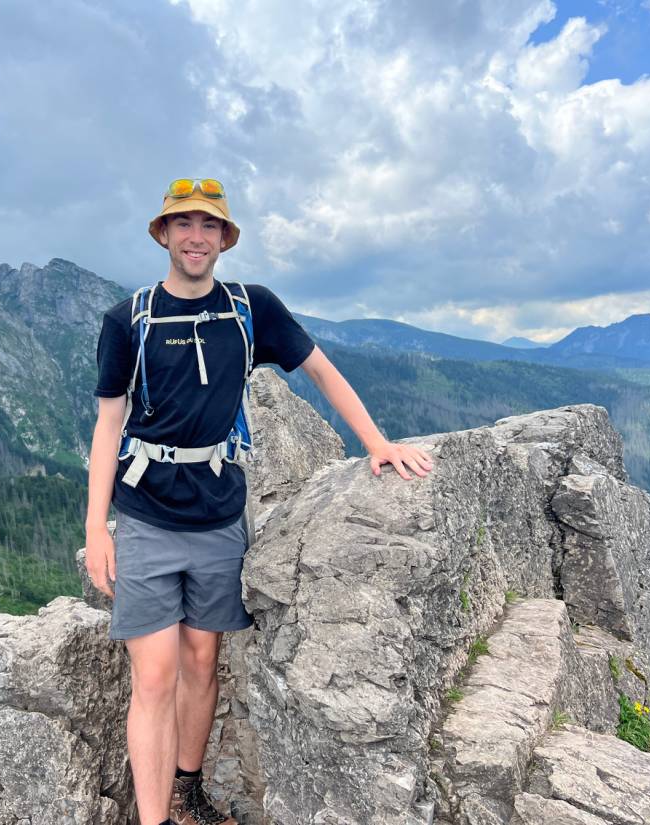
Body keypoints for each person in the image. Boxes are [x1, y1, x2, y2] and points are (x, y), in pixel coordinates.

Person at [86, 178, 434, 825]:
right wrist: (97, 529)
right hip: (146, 517)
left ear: (224, 237)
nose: (196, 236)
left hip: (219, 515)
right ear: (164, 233)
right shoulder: (127, 320)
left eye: (208, 225)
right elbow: (109, 425)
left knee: (202, 658)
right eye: (183, 224)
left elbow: (322, 370)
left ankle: (187, 794)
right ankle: (154, 819)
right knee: (155, 676)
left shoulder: (252, 309)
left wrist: (378, 443)